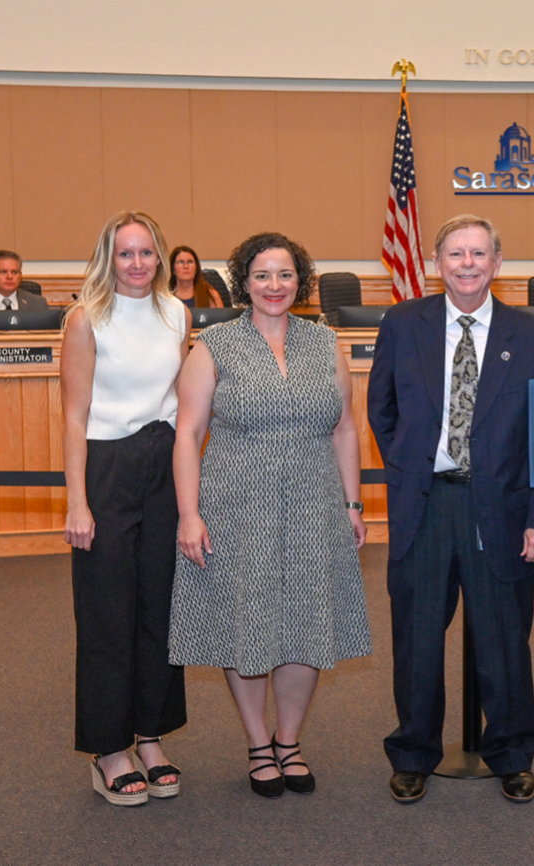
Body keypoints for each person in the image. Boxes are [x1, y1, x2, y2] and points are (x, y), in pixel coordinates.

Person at [368, 214, 534, 805]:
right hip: (425, 506)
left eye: (479, 253)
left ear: (497, 263)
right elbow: (383, 410)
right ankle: (413, 753)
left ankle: (509, 753)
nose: (468, 264)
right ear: (437, 262)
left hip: (500, 509)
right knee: (418, 637)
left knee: (504, 638)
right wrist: (408, 469)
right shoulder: (404, 324)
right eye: (456, 254)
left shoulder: (533, 336)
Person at [168, 232, 371, 799]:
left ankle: (290, 740)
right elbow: (187, 433)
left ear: (299, 282)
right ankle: (258, 743)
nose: (274, 286)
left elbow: (345, 428)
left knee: (308, 619)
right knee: (247, 620)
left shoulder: (327, 343)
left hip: (314, 498)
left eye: (284, 275)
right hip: (236, 500)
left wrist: (352, 503)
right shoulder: (214, 346)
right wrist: (189, 514)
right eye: (262, 275)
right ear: (244, 282)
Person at [61, 212, 192, 806]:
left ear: (160, 257)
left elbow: (181, 404)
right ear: (107, 258)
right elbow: (72, 416)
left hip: (162, 464)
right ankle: (109, 748)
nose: (137, 264)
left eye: (146, 253)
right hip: (106, 468)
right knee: (107, 611)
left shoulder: (177, 314)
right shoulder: (86, 318)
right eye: (125, 254)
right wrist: (78, 502)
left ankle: (150, 736)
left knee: (160, 607)